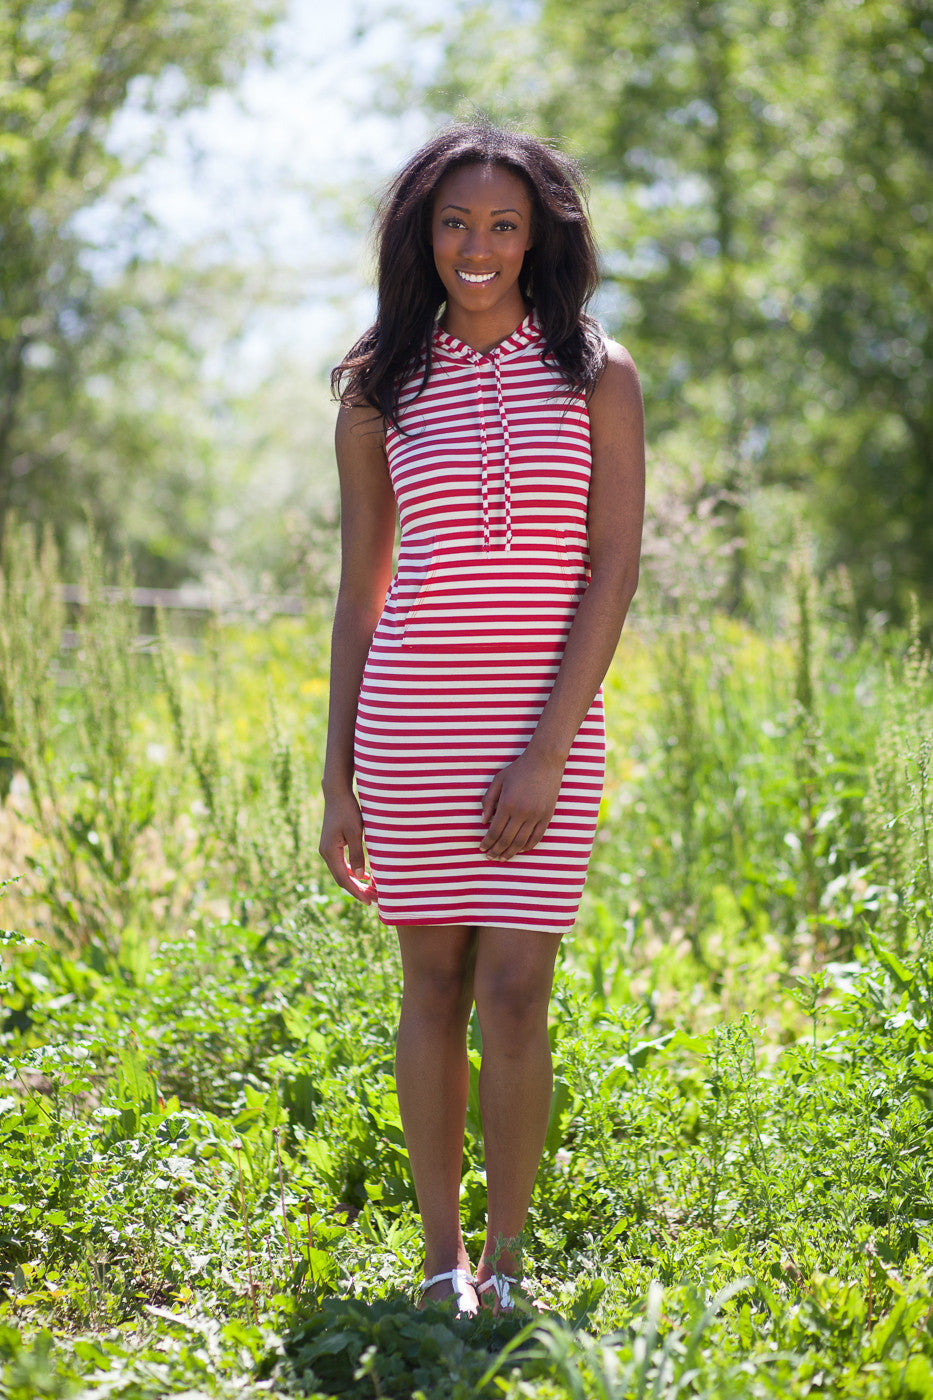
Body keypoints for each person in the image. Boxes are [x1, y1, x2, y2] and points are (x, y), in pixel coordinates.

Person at [319, 122, 645, 1317]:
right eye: (456, 221)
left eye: (504, 224)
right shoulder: (377, 384)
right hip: (412, 725)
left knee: (516, 992)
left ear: (540, 235)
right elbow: (360, 591)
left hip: (543, 730)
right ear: (422, 231)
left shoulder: (599, 372)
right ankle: (440, 1261)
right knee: (433, 984)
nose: (478, 246)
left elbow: (612, 568)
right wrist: (336, 773)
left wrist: (547, 749)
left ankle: (508, 1264)